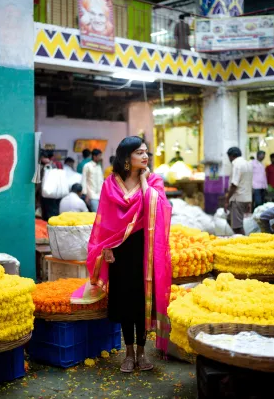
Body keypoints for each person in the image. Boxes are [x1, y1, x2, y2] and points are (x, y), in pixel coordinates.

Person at [71, 136, 171, 373]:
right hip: (119, 250)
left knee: (141, 301)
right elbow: (104, 220)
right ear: (127, 157)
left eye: (146, 152)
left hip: (144, 249)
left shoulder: (154, 181)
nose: (145, 156)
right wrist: (106, 247)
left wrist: (145, 182)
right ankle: (128, 353)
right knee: (126, 300)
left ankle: (142, 352)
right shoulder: (111, 184)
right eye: (139, 153)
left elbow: (159, 209)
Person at [225, 147, 253, 235]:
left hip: (238, 199)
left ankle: (245, 244)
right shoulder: (248, 164)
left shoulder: (236, 164)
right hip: (246, 198)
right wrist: (249, 202)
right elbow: (248, 184)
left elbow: (234, 184)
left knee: (237, 227)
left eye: (229, 157)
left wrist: (226, 199)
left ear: (232, 156)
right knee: (230, 220)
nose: (229, 159)